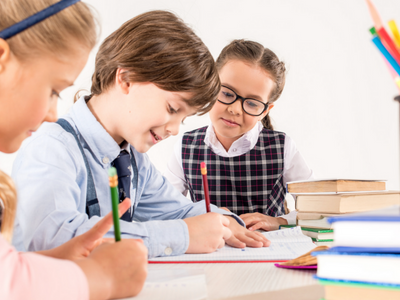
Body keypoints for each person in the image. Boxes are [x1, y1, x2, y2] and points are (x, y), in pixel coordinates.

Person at [12, 10, 271, 258]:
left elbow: (177, 210)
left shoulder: (132, 160)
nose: (174, 129)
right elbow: (51, 236)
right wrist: (183, 235)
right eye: (172, 108)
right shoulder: (52, 147)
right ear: (125, 79)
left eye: (183, 118)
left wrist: (222, 220)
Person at [0, 1, 148, 299]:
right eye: (54, 90)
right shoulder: (55, 144)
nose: (53, 114)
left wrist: (62, 256)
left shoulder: (135, 156)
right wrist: (102, 277)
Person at [164, 39, 314, 231]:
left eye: (252, 104)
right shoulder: (186, 147)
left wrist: (281, 221)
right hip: (208, 252)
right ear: (211, 85)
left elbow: (316, 208)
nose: (235, 109)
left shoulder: (282, 147)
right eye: (226, 93)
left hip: (266, 251)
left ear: (265, 111)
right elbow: (166, 210)